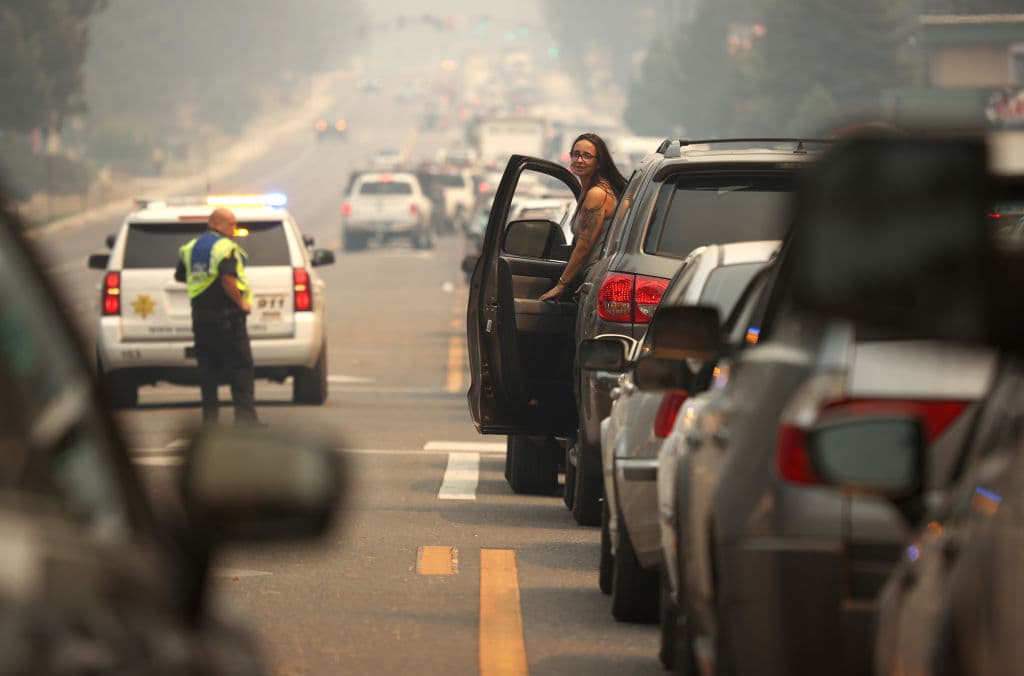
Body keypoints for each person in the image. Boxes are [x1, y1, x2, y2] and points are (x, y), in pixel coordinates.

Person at [175, 207, 260, 425]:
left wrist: (205, 285)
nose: (235, 228)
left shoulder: (191, 247)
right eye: (231, 224)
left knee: (208, 371)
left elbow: (181, 275)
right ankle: (245, 421)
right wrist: (241, 302)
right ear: (215, 224)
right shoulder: (225, 248)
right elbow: (228, 279)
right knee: (240, 368)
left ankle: (210, 422)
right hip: (229, 318)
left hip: (201, 319)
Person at [539, 133, 627, 301]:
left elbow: (584, 246)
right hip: (593, 276)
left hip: (594, 277)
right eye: (576, 154)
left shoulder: (597, 194)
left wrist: (562, 284)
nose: (579, 160)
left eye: (587, 156)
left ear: (598, 163)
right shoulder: (590, 190)